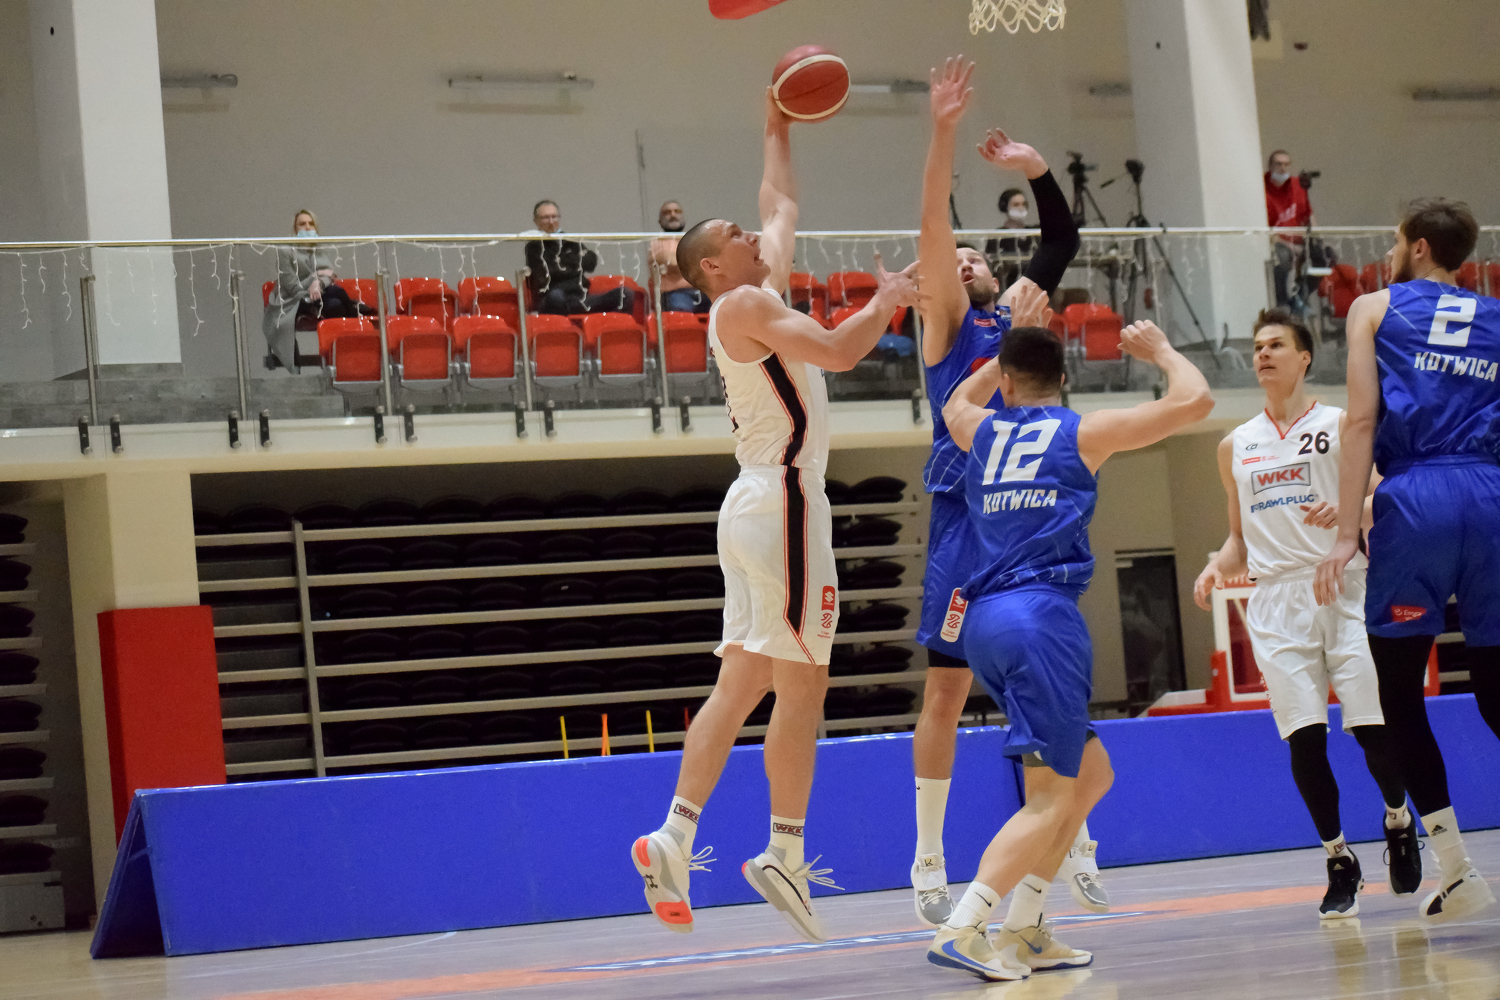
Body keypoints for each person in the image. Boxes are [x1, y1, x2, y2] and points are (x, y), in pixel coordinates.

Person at [630, 88, 918, 944]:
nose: (753, 235)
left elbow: (780, 202)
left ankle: (674, 836)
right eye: (735, 235)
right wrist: (887, 299)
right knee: (804, 684)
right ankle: (783, 851)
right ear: (712, 267)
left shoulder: (752, 292)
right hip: (787, 501)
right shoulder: (746, 305)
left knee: (743, 682)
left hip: (755, 504)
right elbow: (839, 350)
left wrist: (776, 123)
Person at [927, 321, 1213, 982]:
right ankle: (964, 926)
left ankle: (1026, 926)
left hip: (984, 623)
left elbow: (953, 403)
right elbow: (1195, 400)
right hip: (1040, 618)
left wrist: (993, 362)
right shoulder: (1082, 432)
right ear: (1063, 379)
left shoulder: (980, 430)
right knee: (1050, 798)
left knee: (1091, 775)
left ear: (1006, 382)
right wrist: (1162, 352)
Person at [906, 56, 1098, 930]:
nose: (971, 260)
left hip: (1032, 510)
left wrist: (1035, 168)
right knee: (946, 693)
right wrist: (943, 130)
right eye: (959, 258)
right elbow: (932, 228)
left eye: (979, 253)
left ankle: (1066, 842)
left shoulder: (1017, 309)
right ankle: (929, 857)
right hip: (964, 521)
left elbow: (1060, 241)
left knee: (1046, 676)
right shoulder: (952, 326)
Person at [1192, 307, 1420, 920]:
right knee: (1304, 739)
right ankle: (1338, 858)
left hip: (1344, 586)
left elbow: (1384, 494)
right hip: (1276, 601)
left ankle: (1398, 819)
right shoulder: (1234, 445)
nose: (1263, 354)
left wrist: (1350, 512)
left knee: (1374, 731)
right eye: (1257, 346)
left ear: (1304, 357)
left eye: (1275, 345)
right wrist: (1216, 566)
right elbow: (1238, 538)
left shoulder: (1343, 424)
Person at [1315, 198, 1500, 925]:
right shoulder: (1497, 316)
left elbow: (1361, 419)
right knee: (1495, 689)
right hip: (1491, 494)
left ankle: (1457, 870)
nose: (1390, 252)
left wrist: (1345, 532)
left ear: (1418, 247)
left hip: (1419, 495)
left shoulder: (1373, 307)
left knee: (1398, 692)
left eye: (1395, 241)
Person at [261, 210, 371, 372]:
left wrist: (318, 283)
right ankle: (354, 321)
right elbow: (292, 287)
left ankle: (341, 356)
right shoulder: (285, 251)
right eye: (302, 224)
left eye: (311, 223)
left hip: (319, 296)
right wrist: (314, 278)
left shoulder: (317, 249)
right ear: (294, 229)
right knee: (336, 293)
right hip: (294, 300)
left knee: (335, 302)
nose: (307, 227)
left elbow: (328, 276)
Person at [522, 200, 635, 316]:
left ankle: (610, 326)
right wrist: (576, 263)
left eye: (554, 217)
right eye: (546, 218)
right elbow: (547, 274)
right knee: (556, 297)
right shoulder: (534, 246)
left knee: (624, 294)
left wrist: (561, 262)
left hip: (580, 297)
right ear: (536, 221)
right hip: (551, 298)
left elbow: (591, 262)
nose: (551, 221)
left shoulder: (569, 240)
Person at [1265, 150, 1315, 307]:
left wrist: (1316, 238)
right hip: (1278, 243)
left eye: (1286, 164)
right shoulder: (1262, 189)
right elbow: (1267, 232)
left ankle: (1298, 298)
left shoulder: (1297, 186)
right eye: (1278, 164)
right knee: (1282, 256)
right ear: (1270, 166)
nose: (1283, 168)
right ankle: (1282, 303)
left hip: (1298, 241)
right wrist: (1292, 246)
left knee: (1326, 256)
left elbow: (1308, 216)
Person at [651, 200, 711, 314]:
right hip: (675, 294)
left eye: (677, 211)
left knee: (725, 305)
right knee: (681, 314)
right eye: (667, 212)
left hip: (702, 293)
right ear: (660, 220)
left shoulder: (693, 239)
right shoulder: (657, 242)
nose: (673, 215)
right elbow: (674, 262)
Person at [984, 187, 1034, 289]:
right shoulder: (998, 235)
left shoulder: (1034, 232)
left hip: (1034, 283)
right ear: (1005, 207)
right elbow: (994, 263)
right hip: (1009, 285)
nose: (1021, 207)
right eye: (1016, 204)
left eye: (1023, 204)